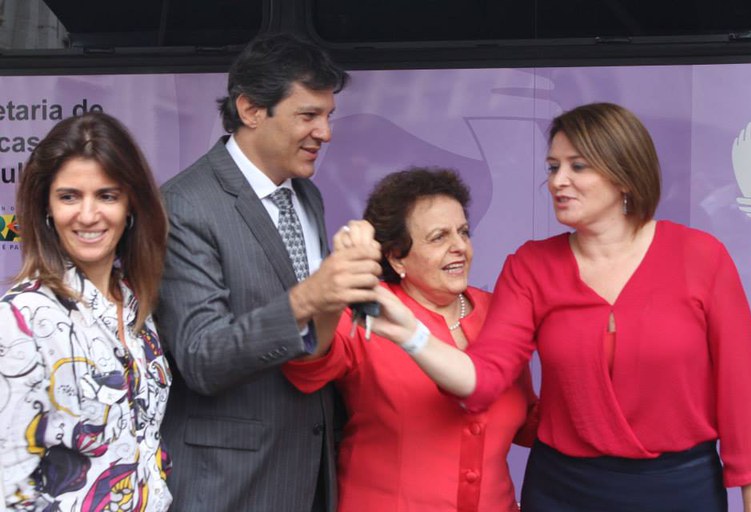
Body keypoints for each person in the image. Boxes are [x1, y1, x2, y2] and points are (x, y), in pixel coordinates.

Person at [368, 103, 751, 511]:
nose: (558, 181)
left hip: (680, 490)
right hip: (563, 491)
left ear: (625, 174)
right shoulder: (531, 266)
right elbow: (484, 379)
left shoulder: (701, 257)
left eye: (578, 167)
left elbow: (744, 406)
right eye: (552, 167)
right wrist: (410, 335)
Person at [156, 33, 381, 512]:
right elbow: (200, 357)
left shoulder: (307, 196)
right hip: (227, 484)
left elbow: (313, 341)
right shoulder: (182, 206)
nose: (326, 132)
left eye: (328, 116)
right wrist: (306, 299)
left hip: (308, 471)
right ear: (251, 110)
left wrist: (352, 293)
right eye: (308, 116)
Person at [283, 167, 538, 512]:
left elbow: (529, 426)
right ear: (396, 256)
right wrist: (334, 286)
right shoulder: (370, 312)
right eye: (439, 237)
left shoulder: (500, 312)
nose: (460, 247)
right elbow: (305, 367)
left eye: (463, 232)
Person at [0, 112, 172, 510]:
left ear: (131, 205)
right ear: (46, 207)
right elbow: (9, 489)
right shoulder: (20, 320)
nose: (89, 214)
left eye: (107, 195)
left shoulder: (137, 308)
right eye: (69, 196)